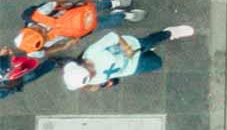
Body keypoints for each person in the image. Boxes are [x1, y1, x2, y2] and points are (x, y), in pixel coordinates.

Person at [61, 25, 196, 92]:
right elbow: (89, 86)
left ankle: (170, 32)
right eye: (89, 77)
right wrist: (101, 85)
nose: (92, 75)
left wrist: (126, 47)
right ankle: (150, 50)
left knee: (151, 41)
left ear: (83, 65)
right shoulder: (88, 80)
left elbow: (112, 37)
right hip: (131, 67)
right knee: (157, 63)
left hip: (132, 46)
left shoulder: (92, 52)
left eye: (89, 73)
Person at [16, 0, 140, 56]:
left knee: (99, 6)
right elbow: (45, 51)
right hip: (78, 30)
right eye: (44, 38)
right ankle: (121, 15)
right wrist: (65, 46)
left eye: (40, 31)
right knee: (110, 22)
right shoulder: (35, 49)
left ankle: (113, 2)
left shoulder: (39, 14)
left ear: (32, 28)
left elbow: (57, 1)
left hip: (77, 12)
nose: (45, 34)